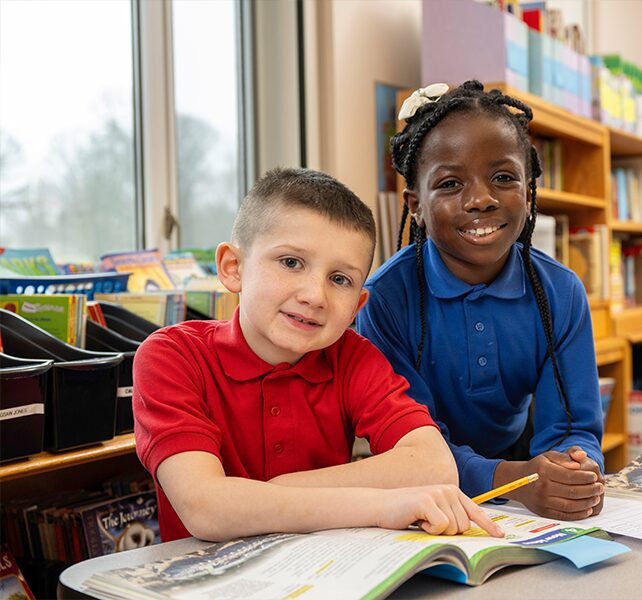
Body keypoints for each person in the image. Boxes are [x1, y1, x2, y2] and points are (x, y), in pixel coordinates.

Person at [133, 167, 503, 542]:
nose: (314, 296)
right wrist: (379, 506)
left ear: (357, 305)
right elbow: (206, 508)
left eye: (340, 279)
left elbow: (434, 467)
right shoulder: (171, 357)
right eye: (291, 262)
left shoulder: (353, 358)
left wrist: (266, 492)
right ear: (234, 268)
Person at [357, 81, 605, 521]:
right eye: (451, 183)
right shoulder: (384, 300)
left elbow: (572, 428)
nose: (481, 199)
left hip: (516, 463)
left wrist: (574, 470)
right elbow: (409, 446)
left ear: (529, 193)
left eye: (503, 178)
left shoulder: (560, 292)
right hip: (423, 479)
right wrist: (512, 480)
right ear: (415, 205)